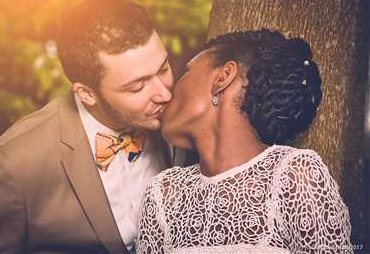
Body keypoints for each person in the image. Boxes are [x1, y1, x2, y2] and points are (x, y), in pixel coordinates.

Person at [0, 0, 184, 254]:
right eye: (138, 86)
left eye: (163, 69)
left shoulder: (182, 119)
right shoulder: (13, 166)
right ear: (86, 94)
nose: (164, 94)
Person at [137, 29, 352, 254]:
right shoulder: (162, 195)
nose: (168, 91)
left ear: (222, 77)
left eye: (187, 70)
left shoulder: (295, 176)